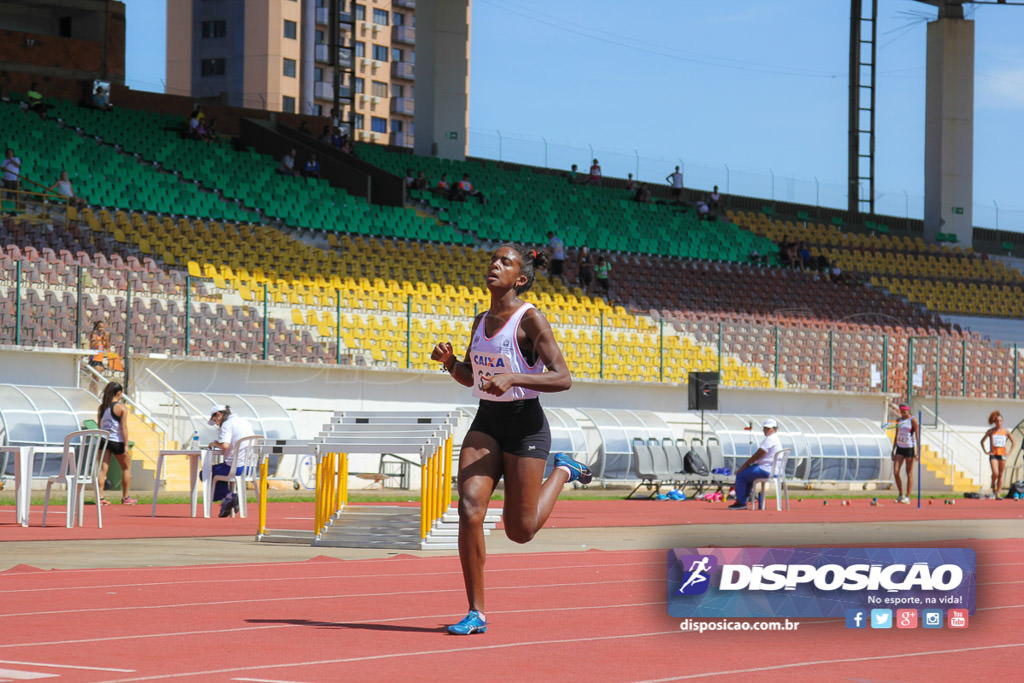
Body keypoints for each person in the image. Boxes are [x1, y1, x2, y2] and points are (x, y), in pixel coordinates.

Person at [429, 244, 591, 635]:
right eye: (493, 259)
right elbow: (474, 377)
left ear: (520, 277)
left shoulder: (531, 319)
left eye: (505, 262)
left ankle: (563, 471)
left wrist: (515, 377)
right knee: (469, 511)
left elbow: (563, 378)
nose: (494, 265)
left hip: (525, 426)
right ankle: (476, 612)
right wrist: (452, 364)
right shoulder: (480, 319)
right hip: (486, 424)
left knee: (520, 531)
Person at [205, 405, 256, 517]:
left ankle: (228, 497)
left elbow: (225, 445)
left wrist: (214, 443)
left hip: (236, 468)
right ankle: (227, 499)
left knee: (205, 473)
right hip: (250, 468)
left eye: (215, 421)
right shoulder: (244, 421)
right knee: (218, 472)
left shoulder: (227, 424)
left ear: (219, 414)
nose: (217, 424)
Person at [727, 419, 783, 509]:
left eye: (768, 428)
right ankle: (744, 499)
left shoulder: (770, 439)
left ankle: (741, 502)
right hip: (772, 470)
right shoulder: (776, 439)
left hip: (766, 470)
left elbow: (759, 453)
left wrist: (745, 465)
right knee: (748, 475)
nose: (765, 430)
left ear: (774, 429)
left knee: (741, 474)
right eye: (765, 428)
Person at [96, 381, 137, 505]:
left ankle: (100, 498)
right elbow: (123, 427)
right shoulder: (121, 408)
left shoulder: (102, 407)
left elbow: (99, 425)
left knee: (103, 470)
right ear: (119, 393)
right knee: (126, 467)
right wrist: (125, 445)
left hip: (104, 440)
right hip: (116, 440)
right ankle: (125, 497)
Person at [981, 410, 1015, 498]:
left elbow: (1013, 442)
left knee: (1000, 474)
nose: (999, 423)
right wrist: (986, 451)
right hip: (993, 454)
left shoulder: (1006, 431)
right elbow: (982, 441)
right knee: (995, 473)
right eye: (997, 421)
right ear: (994, 422)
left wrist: (1009, 452)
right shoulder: (991, 431)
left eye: (1000, 421)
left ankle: (998, 492)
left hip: (1002, 455)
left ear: (1002, 421)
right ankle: (993, 483)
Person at [890, 404, 919, 504]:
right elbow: (896, 435)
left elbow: (917, 436)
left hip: (909, 448)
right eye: (901, 412)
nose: (902, 414)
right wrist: (893, 450)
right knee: (896, 471)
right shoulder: (899, 421)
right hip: (899, 447)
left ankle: (908, 496)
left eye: (904, 412)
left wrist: (917, 451)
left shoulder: (913, 420)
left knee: (909, 473)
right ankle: (900, 494)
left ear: (908, 411)